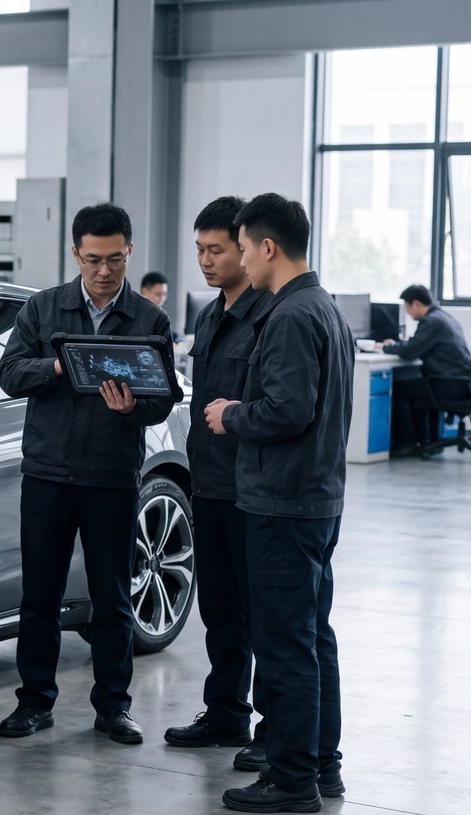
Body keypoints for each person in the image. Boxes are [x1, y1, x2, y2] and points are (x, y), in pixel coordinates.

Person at [0, 203, 176, 747]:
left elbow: (166, 396)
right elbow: (8, 374)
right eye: (93, 259)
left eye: (115, 259)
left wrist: (133, 409)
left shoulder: (150, 320)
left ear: (130, 253)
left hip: (113, 478)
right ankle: (34, 703)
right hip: (48, 476)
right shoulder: (43, 309)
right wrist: (58, 365)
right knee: (40, 597)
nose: (104, 271)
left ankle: (113, 707)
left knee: (114, 597)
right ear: (76, 254)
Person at [204, 193, 353, 814]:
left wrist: (230, 413)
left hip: (283, 502)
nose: (237, 257)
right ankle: (320, 765)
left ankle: (291, 778)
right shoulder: (325, 307)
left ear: (266, 248)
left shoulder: (291, 315)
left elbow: (288, 410)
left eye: (240, 247)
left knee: (287, 642)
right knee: (312, 636)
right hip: (315, 499)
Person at [163, 197, 270, 771]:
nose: (204, 261)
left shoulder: (269, 315)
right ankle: (226, 712)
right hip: (208, 482)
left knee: (260, 616)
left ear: (247, 247)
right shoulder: (208, 314)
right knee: (221, 610)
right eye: (199, 250)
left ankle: (273, 731)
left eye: (217, 250)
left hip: (251, 488)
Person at [381, 284, 471, 454]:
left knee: (399, 391)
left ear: (415, 304)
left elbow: (409, 351)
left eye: (407, 308)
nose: (407, 313)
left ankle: (406, 443)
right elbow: (417, 345)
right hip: (458, 382)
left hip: (449, 385)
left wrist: (385, 347)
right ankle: (427, 441)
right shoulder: (443, 317)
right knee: (416, 390)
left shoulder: (432, 321)